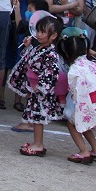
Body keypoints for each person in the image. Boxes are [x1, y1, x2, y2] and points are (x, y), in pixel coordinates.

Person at [8, 14, 63, 156]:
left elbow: (51, 73)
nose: (39, 34)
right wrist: (27, 47)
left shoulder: (51, 54)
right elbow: (28, 61)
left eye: (43, 31)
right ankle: (37, 143)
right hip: (34, 90)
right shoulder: (39, 49)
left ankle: (38, 144)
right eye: (38, 30)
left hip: (41, 92)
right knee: (35, 117)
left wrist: (41, 88)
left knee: (38, 118)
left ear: (53, 35)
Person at [58, 30, 96, 164]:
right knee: (84, 125)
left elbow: (74, 90)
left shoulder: (75, 69)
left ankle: (83, 151)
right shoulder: (93, 64)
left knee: (73, 124)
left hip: (84, 101)